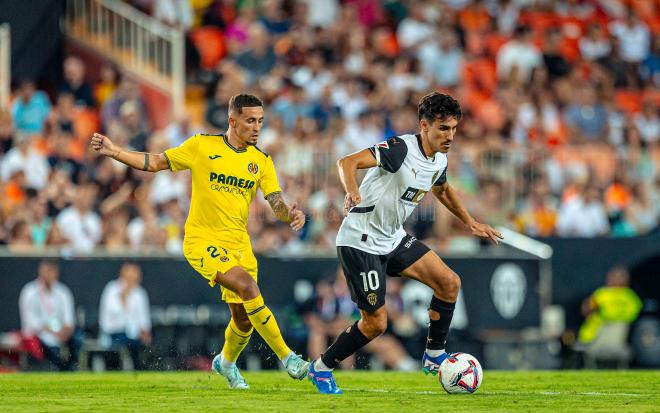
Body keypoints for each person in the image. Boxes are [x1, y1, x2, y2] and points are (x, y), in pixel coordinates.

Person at [90, 94, 309, 388]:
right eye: (250, 121)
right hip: (201, 240)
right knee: (249, 287)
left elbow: (276, 203)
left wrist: (289, 214)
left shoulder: (261, 161)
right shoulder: (202, 146)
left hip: (239, 245)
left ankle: (225, 363)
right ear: (233, 121)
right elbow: (156, 162)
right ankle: (289, 359)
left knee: (243, 318)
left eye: (260, 121)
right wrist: (115, 151)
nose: (257, 127)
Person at [307, 92, 503, 394]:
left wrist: (470, 222)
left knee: (449, 283)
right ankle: (321, 368)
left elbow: (443, 189)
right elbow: (346, 162)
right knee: (375, 325)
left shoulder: (439, 159)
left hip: (392, 237)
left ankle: (435, 353)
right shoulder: (400, 148)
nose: (450, 135)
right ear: (424, 126)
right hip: (360, 241)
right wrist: (352, 191)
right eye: (443, 128)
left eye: (453, 128)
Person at [18, 260, 82, 371]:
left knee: (77, 339)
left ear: (56, 273)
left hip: (60, 332)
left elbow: (69, 319)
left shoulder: (63, 292)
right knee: (47, 345)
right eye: (46, 271)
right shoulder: (30, 291)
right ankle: (58, 368)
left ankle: (70, 368)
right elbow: (30, 320)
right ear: (40, 272)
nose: (49, 275)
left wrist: (65, 332)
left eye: (51, 272)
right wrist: (51, 331)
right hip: (39, 334)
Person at [99, 262, 152, 370]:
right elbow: (113, 314)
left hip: (134, 336)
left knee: (144, 346)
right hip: (113, 334)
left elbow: (144, 320)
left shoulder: (140, 293)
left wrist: (145, 333)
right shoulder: (111, 289)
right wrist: (124, 295)